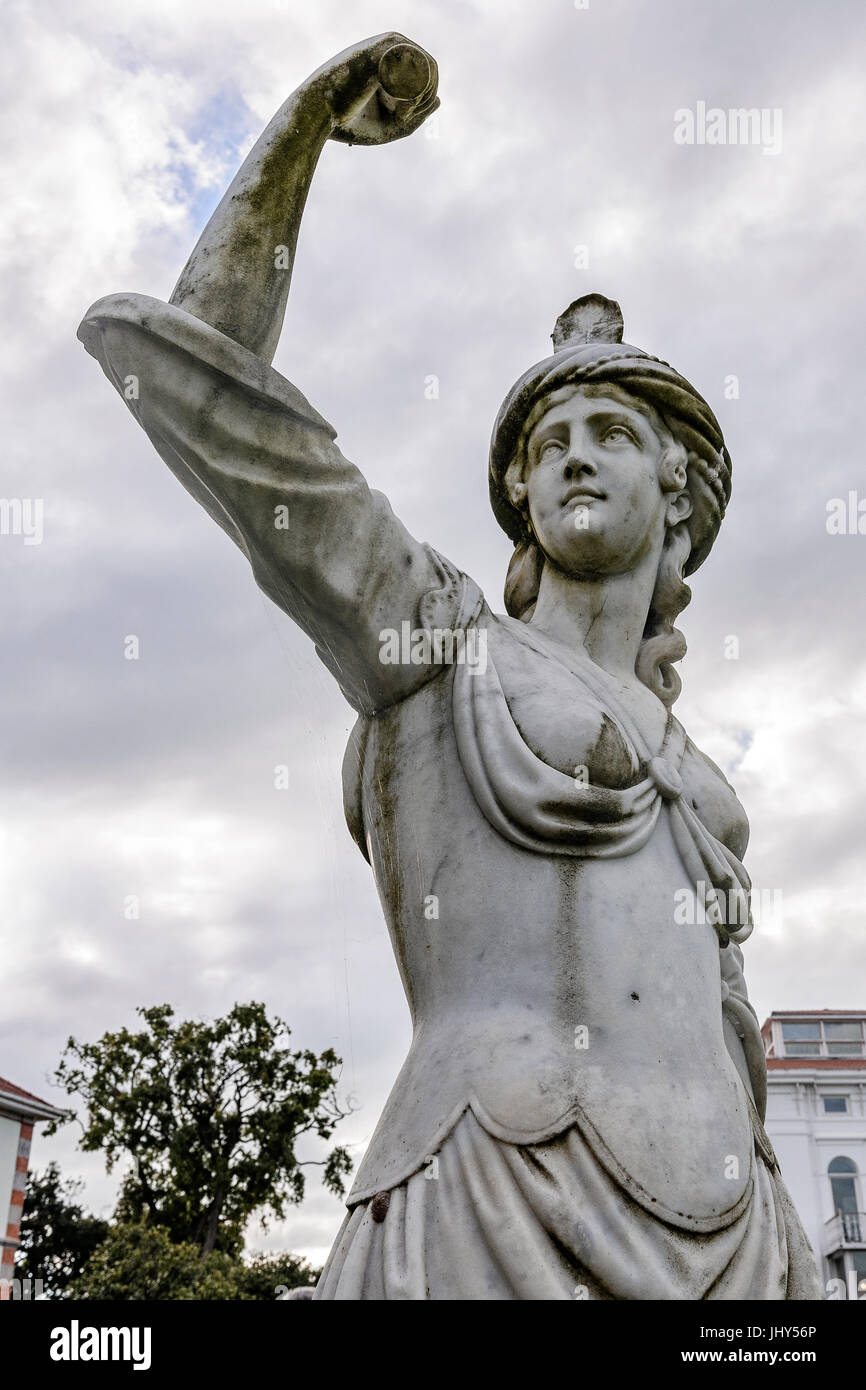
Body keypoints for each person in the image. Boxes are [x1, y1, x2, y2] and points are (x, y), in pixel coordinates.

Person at [78, 33, 822, 1300]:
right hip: (482, 1197)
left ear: (678, 493)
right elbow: (201, 373)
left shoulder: (701, 786)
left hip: (739, 1242)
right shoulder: (435, 646)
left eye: (610, 432)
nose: (575, 454)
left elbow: (731, 1044)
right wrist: (304, 133)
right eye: (549, 441)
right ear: (520, 495)